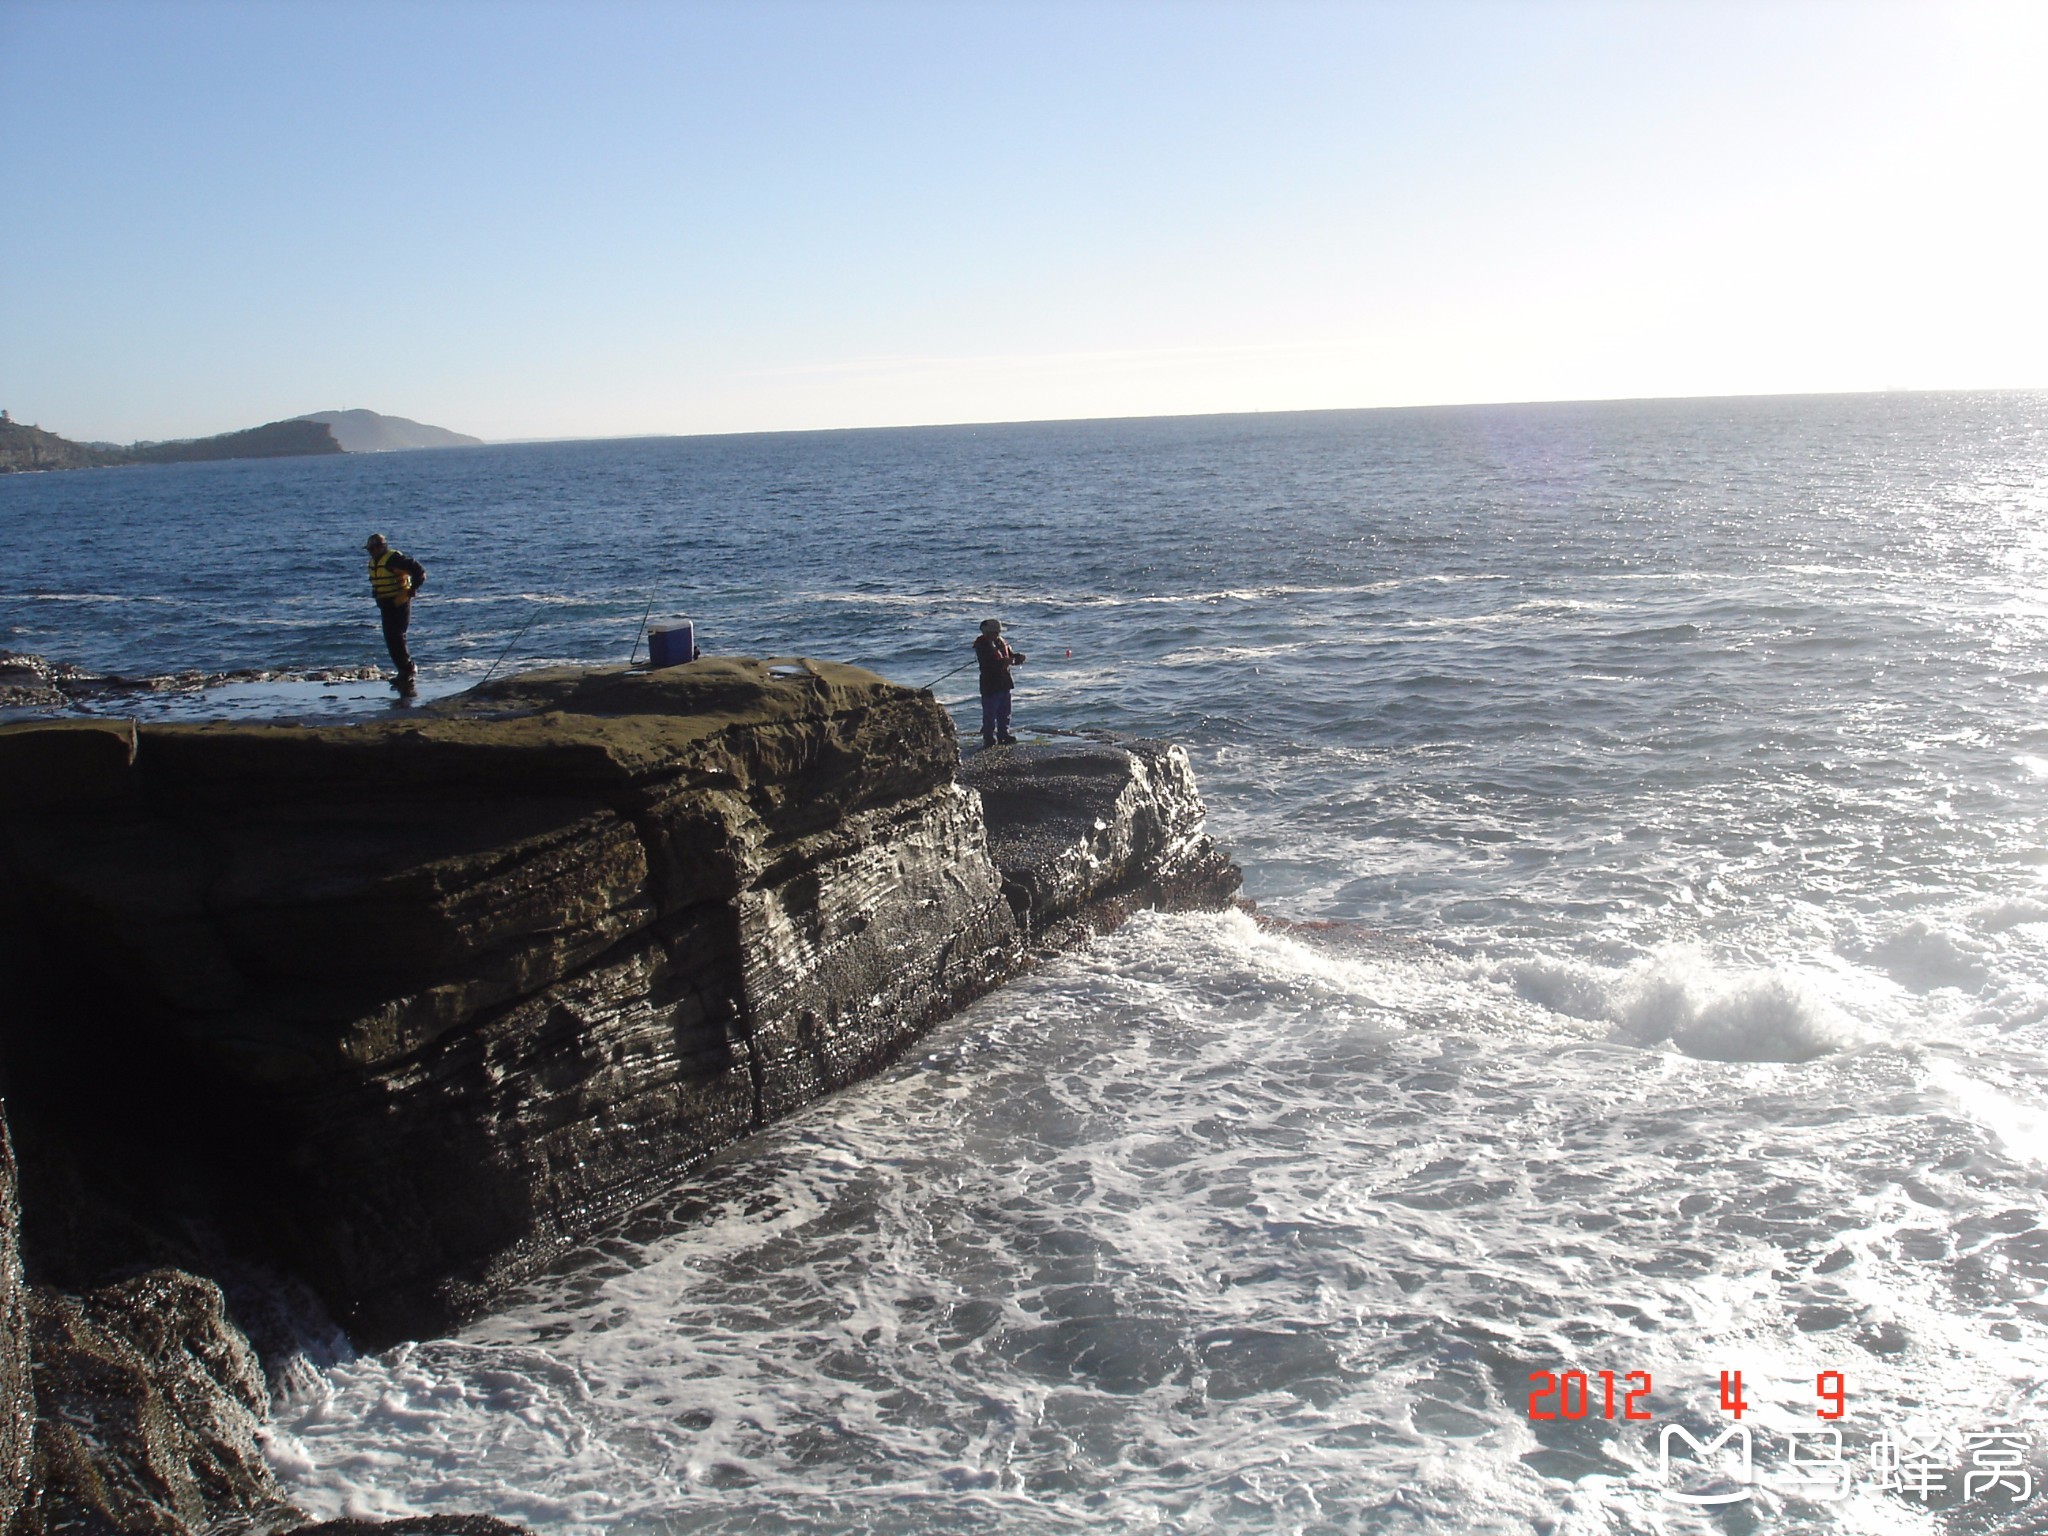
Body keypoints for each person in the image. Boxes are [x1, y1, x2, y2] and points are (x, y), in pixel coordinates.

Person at [364, 533, 426, 686]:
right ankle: (403, 671)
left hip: (399, 603)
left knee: (397, 636)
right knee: (390, 638)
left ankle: (408, 670)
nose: (370, 552)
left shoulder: (394, 559)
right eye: (369, 549)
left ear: (381, 547)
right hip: (385, 604)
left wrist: (413, 588)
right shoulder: (374, 562)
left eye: (372, 549)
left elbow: (419, 571)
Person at [973, 618, 1025, 747]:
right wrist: (1004, 662)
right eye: (995, 632)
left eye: (998, 632)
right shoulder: (982, 645)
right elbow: (988, 664)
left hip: (1004, 683)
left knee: (1004, 712)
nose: (997, 635)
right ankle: (988, 737)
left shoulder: (1000, 642)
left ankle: (1004, 734)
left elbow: (1010, 657)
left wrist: (1018, 658)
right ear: (987, 632)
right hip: (990, 684)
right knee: (990, 713)